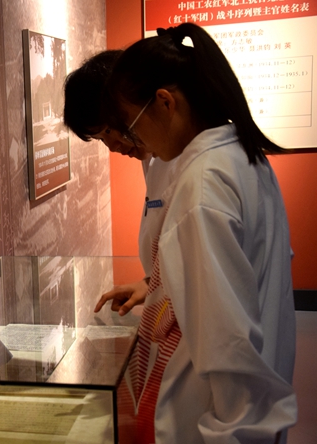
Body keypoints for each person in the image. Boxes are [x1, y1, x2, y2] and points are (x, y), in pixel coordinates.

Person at [105, 23, 297, 443]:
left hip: (220, 423)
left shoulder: (202, 187)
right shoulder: (241, 154)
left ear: (164, 102)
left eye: (131, 125)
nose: (135, 141)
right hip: (257, 403)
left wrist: (231, 433)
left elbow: (228, 345)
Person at [64, 51, 177, 316]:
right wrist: (150, 284)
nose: (113, 146)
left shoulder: (200, 168)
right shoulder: (154, 156)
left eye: (110, 130)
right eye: (101, 139)